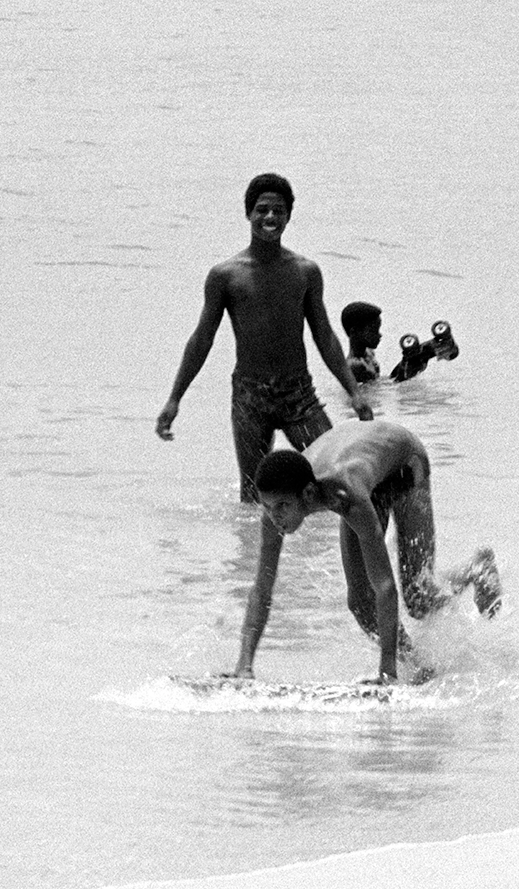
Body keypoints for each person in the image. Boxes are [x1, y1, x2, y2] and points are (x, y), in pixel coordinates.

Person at [229, 419, 500, 684]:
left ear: (309, 494)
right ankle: (420, 667)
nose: (275, 516)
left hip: (404, 461)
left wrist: (386, 672)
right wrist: (244, 665)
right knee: (360, 602)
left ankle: (477, 568)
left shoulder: (345, 493)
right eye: (268, 507)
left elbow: (384, 586)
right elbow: (261, 588)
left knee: (418, 598)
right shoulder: (275, 506)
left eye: (283, 507)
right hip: (360, 452)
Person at [155, 173, 372, 503]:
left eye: (278, 211)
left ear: (288, 216)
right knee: (254, 497)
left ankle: (326, 552)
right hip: (250, 398)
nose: (270, 217)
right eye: (262, 209)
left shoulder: (305, 272)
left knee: (334, 481)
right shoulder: (226, 276)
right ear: (249, 214)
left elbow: (324, 336)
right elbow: (202, 340)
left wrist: (354, 393)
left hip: (299, 395)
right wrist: (174, 399)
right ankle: (253, 554)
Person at [340, 300, 383, 383]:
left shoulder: (369, 353)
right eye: (373, 330)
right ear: (354, 332)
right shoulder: (355, 366)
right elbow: (372, 392)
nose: (379, 335)